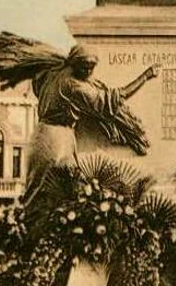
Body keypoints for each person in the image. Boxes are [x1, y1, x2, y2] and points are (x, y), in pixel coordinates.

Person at [23, 45, 159, 207]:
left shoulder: (53, 72)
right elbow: (111, 100)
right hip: (55, 137)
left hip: (49, 133)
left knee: (68, 184)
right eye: (85, 67)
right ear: (74, 64)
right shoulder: (73, 85)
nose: (89, 72)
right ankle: (21, 225)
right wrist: (145, 76)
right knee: (40, 187)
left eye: (92, 68)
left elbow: (37, 84)